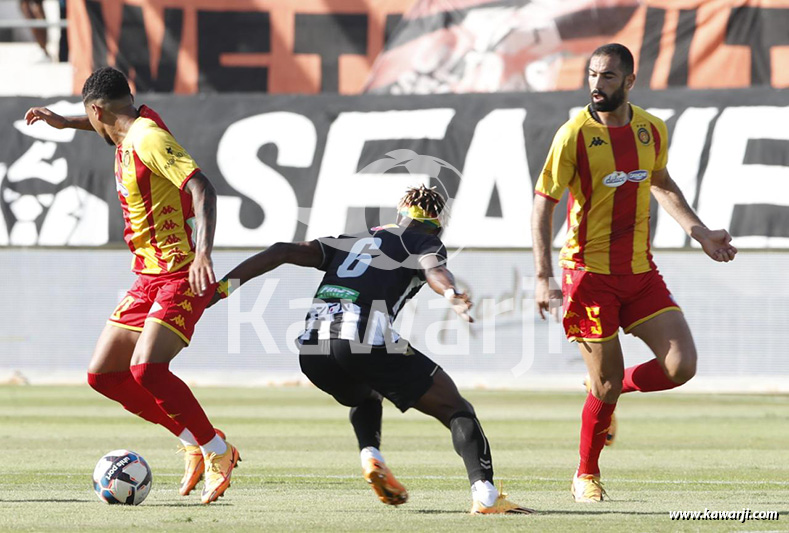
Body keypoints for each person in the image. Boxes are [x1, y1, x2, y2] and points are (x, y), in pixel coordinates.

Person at [211, 185, 532, 514]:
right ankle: (487, 496)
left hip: (311, 348)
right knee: (456, 409)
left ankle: (371, 457)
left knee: (366, 393)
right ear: (437, 222)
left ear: (400, 213)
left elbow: (280, 251)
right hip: (360, 336)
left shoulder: (353, 239)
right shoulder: (425, 241)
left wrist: (221, 290)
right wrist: (451, 293)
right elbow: (434, 269)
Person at [24, 67, 240, 505]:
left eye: (91, 117)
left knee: (146, 370)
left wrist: (203, 254)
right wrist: (68, 123)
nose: (94, 125)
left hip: (181, 272)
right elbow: (110, 124)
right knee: (104, 375)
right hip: (147, 278)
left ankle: (219, 451)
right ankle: (192, 440)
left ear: (98, 109)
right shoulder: (129, 127)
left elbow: (203, 189)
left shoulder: (148, 138)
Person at [531, 43, 737, 503]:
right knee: (606, 382)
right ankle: (585, 473)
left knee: (680, 366)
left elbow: (660, 182)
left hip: (640, 271)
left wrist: (699, 232)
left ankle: (604, 390)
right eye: (591, 75)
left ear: (629, 81)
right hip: (587, 275)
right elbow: (543, 204)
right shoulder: (573, 134)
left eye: (606, 77)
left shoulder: (651, 129)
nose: (596, 85)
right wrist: (543, 276)